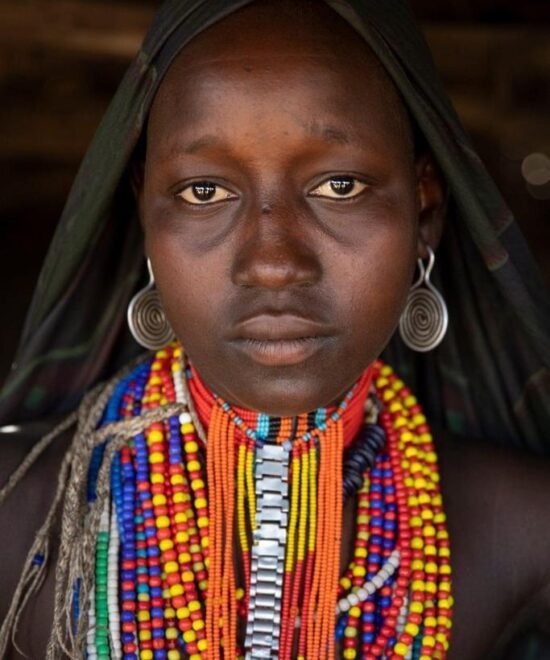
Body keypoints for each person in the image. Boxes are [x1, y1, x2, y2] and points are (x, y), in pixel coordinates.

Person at [1, 0, 549, 658]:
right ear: (146, 213)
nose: (273, 263)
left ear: (423, 210)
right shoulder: (17, 519)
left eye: (339, 185)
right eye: (205, 191)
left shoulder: (523, 533)